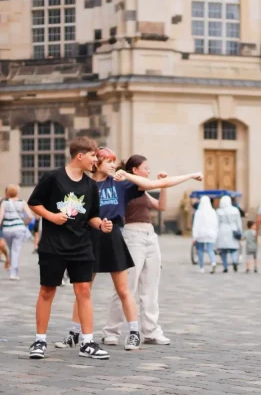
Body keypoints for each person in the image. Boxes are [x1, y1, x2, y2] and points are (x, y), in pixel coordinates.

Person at [27, 136, 112, 360]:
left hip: (81, 244)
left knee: (84, 291)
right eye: (94, 155)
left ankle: (87, 343)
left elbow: (92, 216)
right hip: (53, 245)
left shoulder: (91, 185)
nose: (96, 160)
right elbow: (33, 203)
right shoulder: (53, 178)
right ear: (80, 156)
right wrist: (52, 217)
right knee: (47, 291)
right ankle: (39, 341)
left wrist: (101, 224)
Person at [102, 155, 202, 345]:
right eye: (145, 168)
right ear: (135, 170)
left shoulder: (142, 189)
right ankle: (111, 330)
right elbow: (145, 184)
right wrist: (187, 176)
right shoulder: (125, 187)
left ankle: (150, 330)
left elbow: (161, 206)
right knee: (126, 287)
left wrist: (163, 184)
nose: (149, 171)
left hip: (149, 235)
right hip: (132, 235)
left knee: (150, 286)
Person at [55, 147, 144, 351]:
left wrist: (127, 174)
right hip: (88, 237)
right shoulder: (84, 185)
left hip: (112, 236)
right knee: (83, 289)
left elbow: (147, 184)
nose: (114, 165)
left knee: (123, 289)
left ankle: (133, 333)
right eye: (109, 161)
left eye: (114, 161)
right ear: (97, 163)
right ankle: (74, 334)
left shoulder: (119, 184)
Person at [0, 185, 33, 280]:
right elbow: (30, 216)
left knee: (11, 249)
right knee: (16, 250)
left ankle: (11, 269)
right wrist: (24, 223)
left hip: (7, 229)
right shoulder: (22, 202)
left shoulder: (4, 203)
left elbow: (1, 216)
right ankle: (13, 272)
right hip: (19, 228)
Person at [216, 195, 243, 273]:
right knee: (233, 249)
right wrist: (240, 231)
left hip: (222, 230)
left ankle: (225, 266)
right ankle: (234, 261)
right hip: (233, 229)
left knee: (223, 250)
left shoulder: (219, 211)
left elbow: (217, 223)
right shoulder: (235, 210)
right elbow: (238, 222)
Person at [192, 196, 218, 273]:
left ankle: (201, 267)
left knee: (200, 250)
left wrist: (194, 236)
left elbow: (196, 224)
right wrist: (215, 233)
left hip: (200, 234)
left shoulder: (198, 212)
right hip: (210, 233)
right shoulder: (212, 211)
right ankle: (213, 262)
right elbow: (215, 223)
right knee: (210, 249)